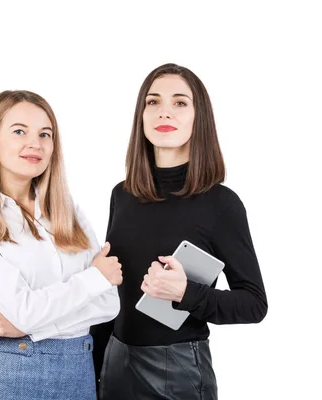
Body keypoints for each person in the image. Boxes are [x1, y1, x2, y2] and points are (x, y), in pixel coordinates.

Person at [90, 63, 268, 399]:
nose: (164, 112)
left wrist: (186, 293)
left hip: (176, 370)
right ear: (140, 116)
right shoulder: (122, 194)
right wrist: (95, 370)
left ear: (199, 118)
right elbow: (111, 292)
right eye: (153, 102)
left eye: (180, 102)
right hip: (115, 361)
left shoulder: (220, 203)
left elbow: (254, 303)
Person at [0, 90, 121, 400]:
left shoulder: (67, 210)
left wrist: (30, 325)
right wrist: (93, 279)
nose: (35, 143)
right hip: (13, 375)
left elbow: (109, 305)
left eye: (45, 134)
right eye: (19, 131)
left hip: (79, 372)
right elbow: (28, 310)